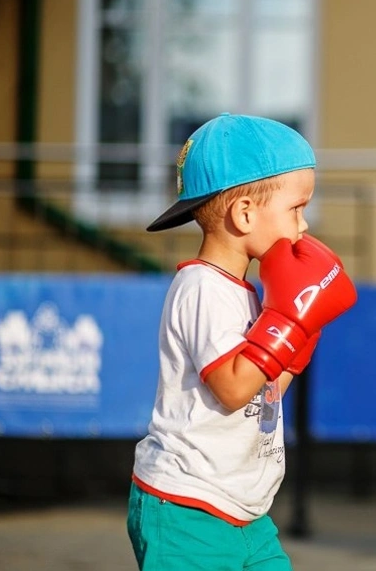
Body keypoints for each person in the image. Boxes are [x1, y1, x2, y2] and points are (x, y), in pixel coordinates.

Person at [127, 113, 357, 571]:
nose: (303, 226)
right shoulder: (201, 289)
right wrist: (290, 322)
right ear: (245, 213)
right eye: (296, 209)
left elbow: (265, 392)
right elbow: (233, 389)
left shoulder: (251, 295)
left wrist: (303, 333)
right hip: (188, 510)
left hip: (245, 512)